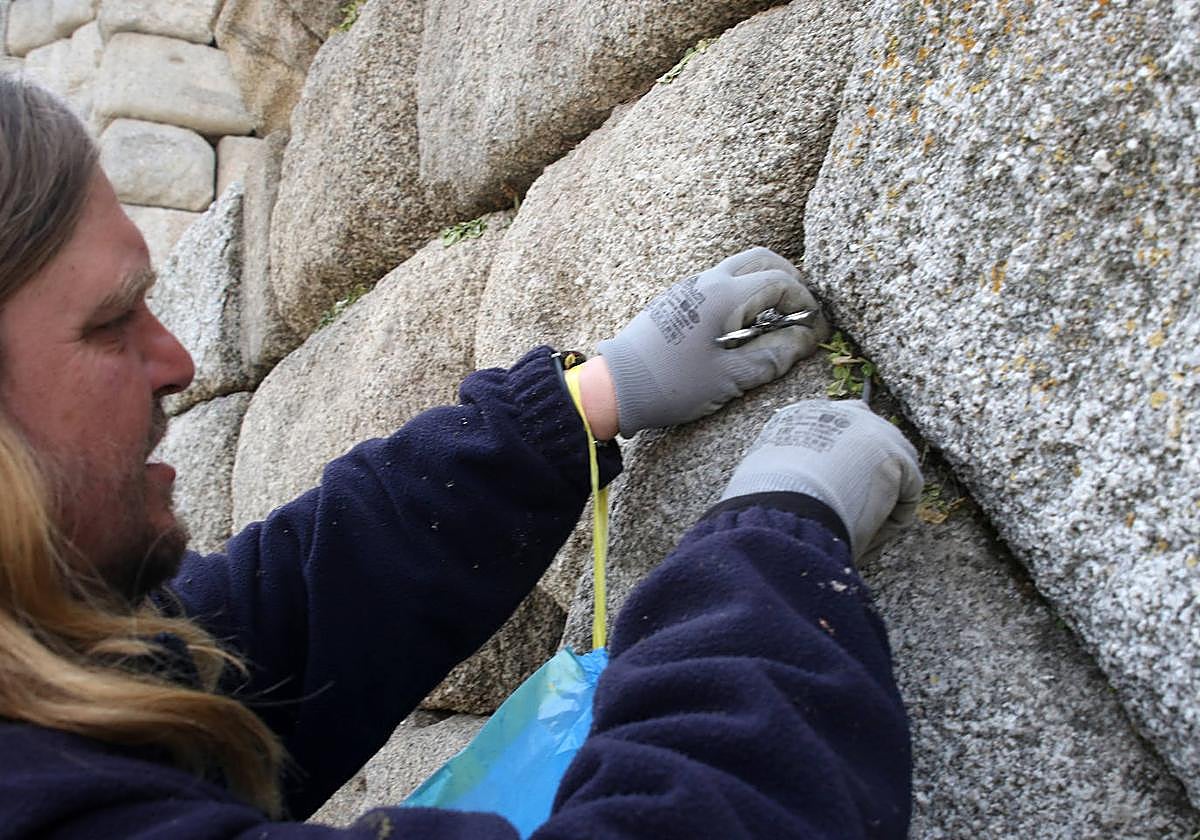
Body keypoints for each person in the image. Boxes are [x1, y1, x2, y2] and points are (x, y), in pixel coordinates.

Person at [0, 75, 922, 839]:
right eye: (110, 323)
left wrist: (576, 406)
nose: (178, 364)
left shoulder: (45, 676)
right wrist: (773, 550)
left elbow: (256, 629)